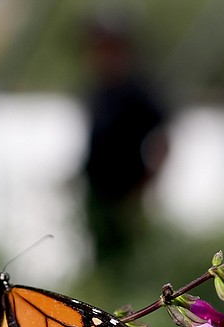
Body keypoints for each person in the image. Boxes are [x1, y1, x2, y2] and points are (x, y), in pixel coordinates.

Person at [81, 14, 168, 266]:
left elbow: (162, 140)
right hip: (97, 195)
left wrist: (143, 187)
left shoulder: (137, 91)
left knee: (127, 259)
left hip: (125, 197)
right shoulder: (97, 89)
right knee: (103, 259)